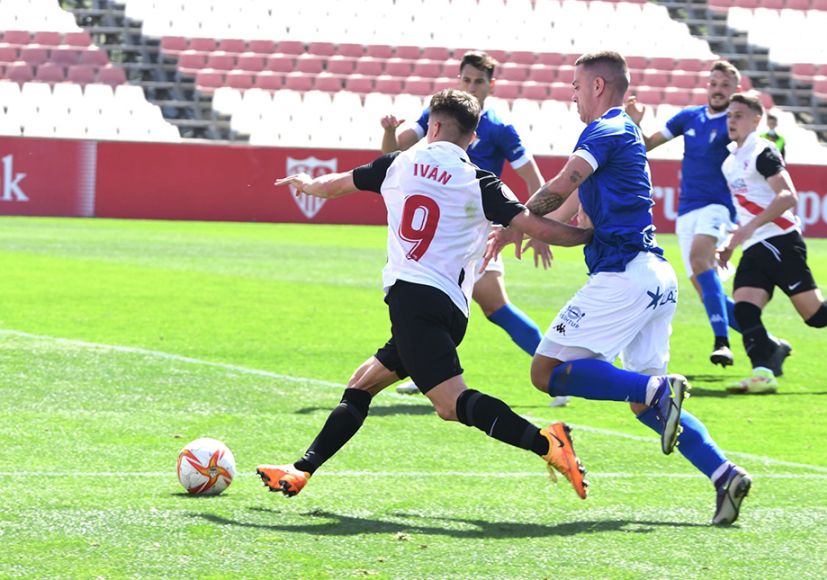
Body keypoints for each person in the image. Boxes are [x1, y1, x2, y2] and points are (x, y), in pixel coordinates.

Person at [257, 89, 593, 502]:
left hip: (414, 302)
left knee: (451, 405)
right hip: (449, 308)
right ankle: (300, 470)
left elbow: (336, 185)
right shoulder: (479, 179)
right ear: (472, 139)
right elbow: (537, 226)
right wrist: (590, 235)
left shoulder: (400, 162)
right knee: (362, 384)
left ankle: (547, 443)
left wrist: (307, 183)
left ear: (432, 125)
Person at [487, 51, 752, 526]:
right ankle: (723, 473)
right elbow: (567, 204)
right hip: (654, 279)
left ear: (598, 87)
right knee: (644, 407)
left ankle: (656, 388)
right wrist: (520, 227)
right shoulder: (619, 139)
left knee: (546, 371)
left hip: (625, 276)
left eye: (575, 85)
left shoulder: (605, 129)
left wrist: (514, 217)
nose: (571, 93)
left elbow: (563, 181)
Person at [381, 50, 571, 408]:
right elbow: (394, 151)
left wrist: (539, 226)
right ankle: (426, 371)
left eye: (479, 82)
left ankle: (556, 374)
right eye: (466, 80)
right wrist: (390, 131)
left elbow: (534, 179)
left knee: (493, 304)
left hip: (475, 231)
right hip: (444, 229)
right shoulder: (438, 116)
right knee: (433, 297)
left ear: (491, 85)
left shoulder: (498, 127)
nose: (471, 86)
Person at [718, 93, 827, 394]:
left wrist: (747, 228)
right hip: (755, 246)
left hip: (782, 242)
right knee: (745, 310)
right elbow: (746, 210)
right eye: (729, 115)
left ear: (756, 120)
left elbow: (788, 196)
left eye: (738, 115)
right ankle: (762, 373)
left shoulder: (763, 151)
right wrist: (732, 242)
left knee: (815, 316)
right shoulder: (728, 162)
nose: (732, 120)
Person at [626, 61, 752, 369]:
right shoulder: (689, 117)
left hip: (718, 206)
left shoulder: (734, 124)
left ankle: (722, 342)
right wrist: (634, 122)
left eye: (725, 85)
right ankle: (763, 340)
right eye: (714, 83)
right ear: (707, 86)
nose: (718, 90)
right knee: (704, 288)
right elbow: (646, 145)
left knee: (699, 259)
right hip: (687, 210)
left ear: (735, 91)